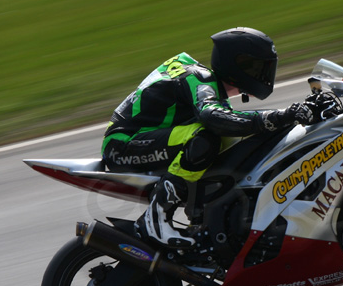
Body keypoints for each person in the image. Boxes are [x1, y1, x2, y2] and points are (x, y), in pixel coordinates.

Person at [102, 27, 314, 248]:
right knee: (205, 137)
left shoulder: (209, 88)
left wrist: (287, 118)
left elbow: (231, 121)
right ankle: (155, 219)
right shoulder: (199, 77)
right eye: (256, 66)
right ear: (235, 63)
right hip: (123, 144)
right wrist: (280, 116)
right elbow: (212, 117)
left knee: (227, 140)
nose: (263, 73)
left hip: (140, 141)